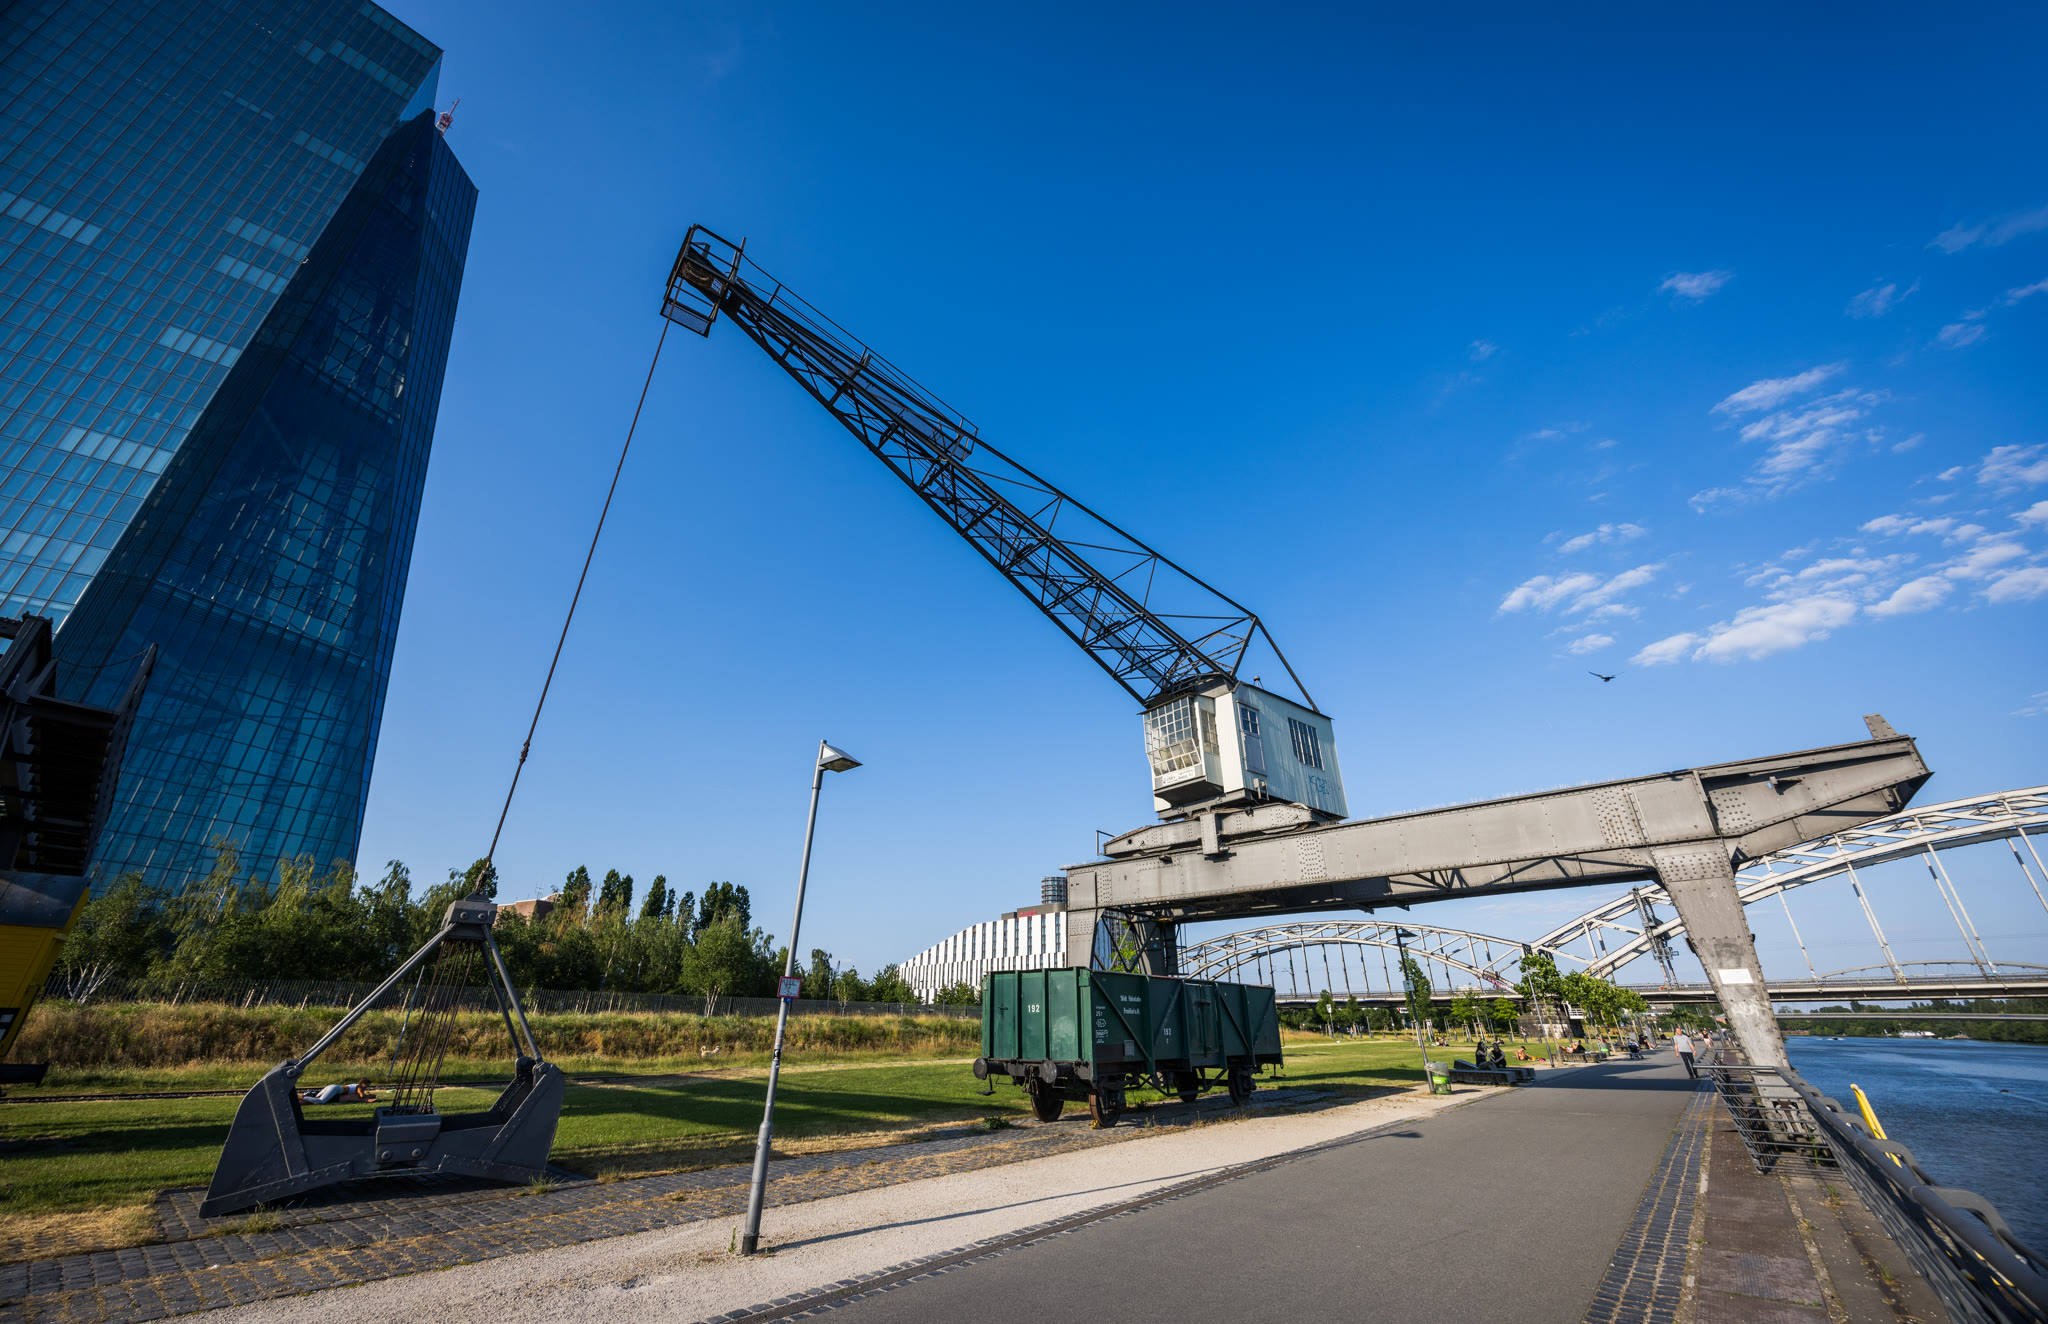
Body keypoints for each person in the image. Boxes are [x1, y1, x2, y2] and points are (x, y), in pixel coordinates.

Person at [300, 1081, 376, 1104]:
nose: (367, 1087)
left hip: (332, 1086)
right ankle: (303, 1097)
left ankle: (304, 1096)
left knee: (316, 1097)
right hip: (335, 1089)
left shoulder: (355, 1085)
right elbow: (361, 1095)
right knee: (321, 1101)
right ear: (363, 1083)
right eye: (367, 1085)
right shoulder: (359, 1087)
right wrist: (368, 1096)